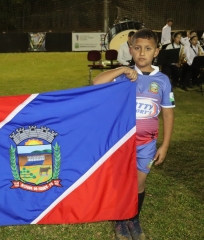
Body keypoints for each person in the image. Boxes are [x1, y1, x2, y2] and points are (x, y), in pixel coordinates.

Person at [93, 29, 175, 240]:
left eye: (148, 49)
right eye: (137, 48)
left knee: (138, 183)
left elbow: (167, 114)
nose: (142, 53)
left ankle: (133, 218)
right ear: (130, 50)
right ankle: (120, 220)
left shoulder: (163, 81)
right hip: (122, 143)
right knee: (121, 182)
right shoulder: (125, 76)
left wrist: (164, 145)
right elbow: (97, 83)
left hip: (147, 144)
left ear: (156, 51)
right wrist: (121, 70)